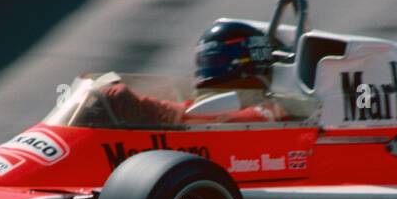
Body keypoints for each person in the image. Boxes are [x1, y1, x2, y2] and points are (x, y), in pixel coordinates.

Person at [99, 20, 288, 126]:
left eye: (218, 60)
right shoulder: (199, 106)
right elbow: (179, 111)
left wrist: (145, 109)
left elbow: (221, 121)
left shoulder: (270, 111)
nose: (210, 66)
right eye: (207, 60)